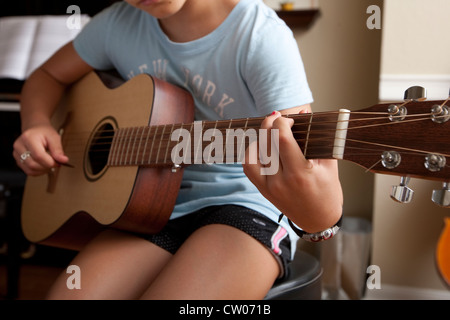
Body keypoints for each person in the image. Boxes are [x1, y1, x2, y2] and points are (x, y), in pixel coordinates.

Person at [13, 0, 343, 299]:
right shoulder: (115, 25)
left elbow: (298, 155)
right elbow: (46, 76)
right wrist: (36, 124)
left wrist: (321, 216)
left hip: (248, 205)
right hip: (148, 208)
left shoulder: (259, 35)